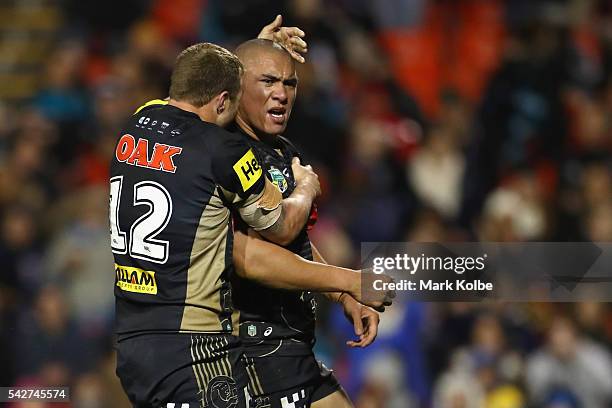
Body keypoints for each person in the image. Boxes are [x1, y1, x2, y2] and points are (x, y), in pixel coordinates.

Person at [111, 41, 323, 408]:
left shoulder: (136, 122)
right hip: (192, 344)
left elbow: (203, 85)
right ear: (227, 99)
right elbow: (283, 229)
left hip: (133, 339)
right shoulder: (223, 151)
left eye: (288, 83)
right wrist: (305, 186)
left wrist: (252, 56)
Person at [230, 39, 377, 408]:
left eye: (289, 83)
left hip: (293, 344)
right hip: (254, 348)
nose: (281, 94)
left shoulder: (283, 151)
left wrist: (342, 297)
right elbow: (254, 257)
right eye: (267, 81)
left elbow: (292, 244)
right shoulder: (226, 154)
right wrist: (349, 281)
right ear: (236, 87)